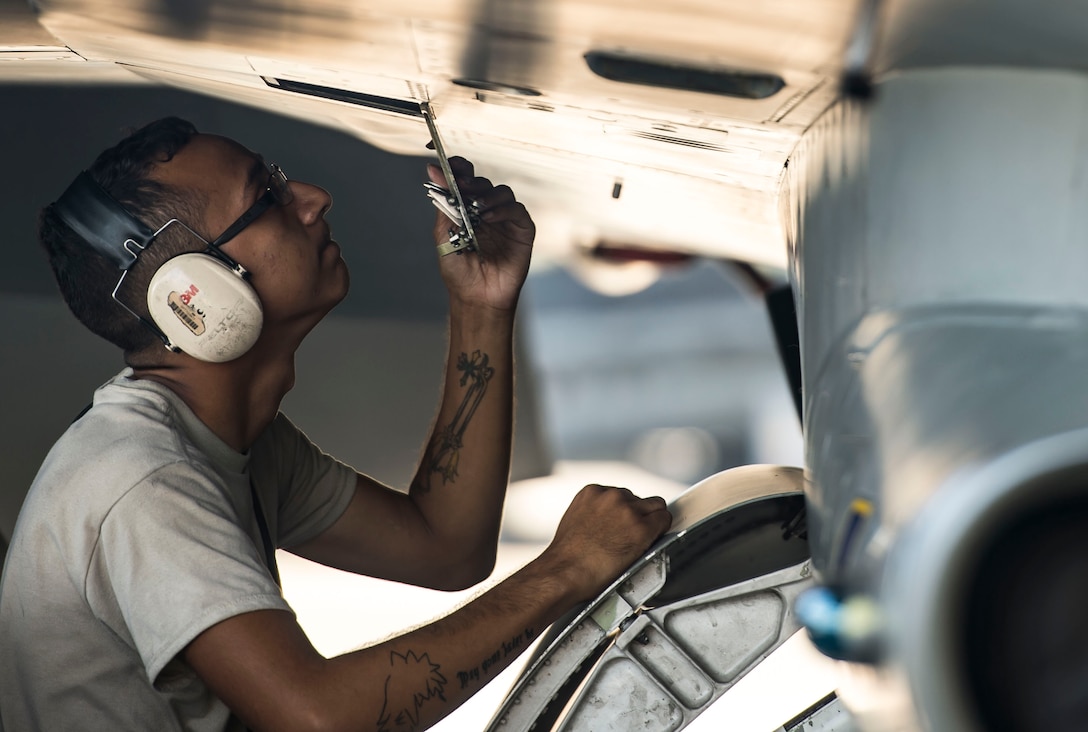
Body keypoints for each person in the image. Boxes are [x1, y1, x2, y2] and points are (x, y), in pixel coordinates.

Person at [0, 117, 672, 731]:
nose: (313, 198)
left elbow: (446, 547)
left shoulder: (232, 443)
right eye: (267, 198)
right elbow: (318, 720)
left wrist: (481, 306)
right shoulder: (146, 482)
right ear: (196, 296)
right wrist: (566, 570)